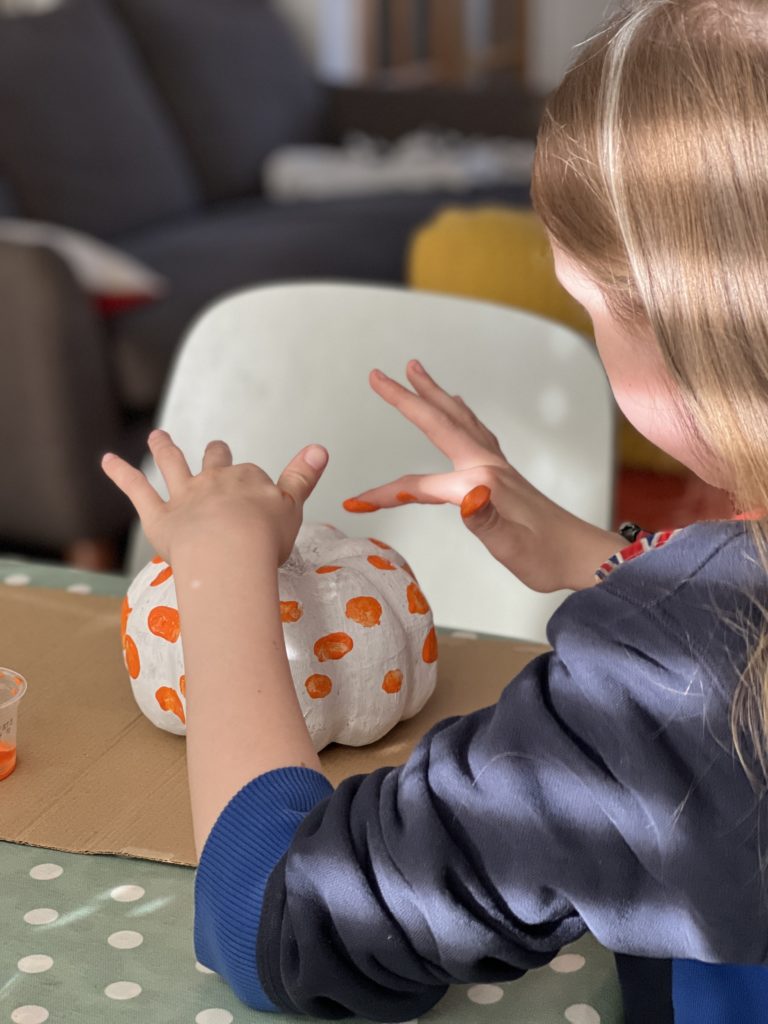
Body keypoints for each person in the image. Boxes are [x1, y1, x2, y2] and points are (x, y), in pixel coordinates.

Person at [101, 1, 768, 1020]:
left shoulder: (670, 686)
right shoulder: (695, 642)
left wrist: (221, 569)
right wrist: (606, 558)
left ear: (684, 327)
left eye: (588, 310)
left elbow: (281, 925)